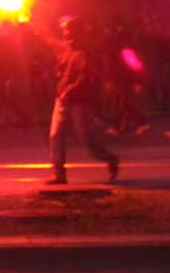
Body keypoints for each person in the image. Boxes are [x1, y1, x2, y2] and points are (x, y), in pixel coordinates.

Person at [47, 16, 119, 185]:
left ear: (76, 31)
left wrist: (69, 91)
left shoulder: (85, 52)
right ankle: (59, 173)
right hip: (62, 99)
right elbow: (47, 40)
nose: (65, 33)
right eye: (64, 30)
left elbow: (85, 77)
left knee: (86, 139)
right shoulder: (65, 48)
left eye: (68, 29)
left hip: (79, 101)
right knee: (55, 135)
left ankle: (110, 158)